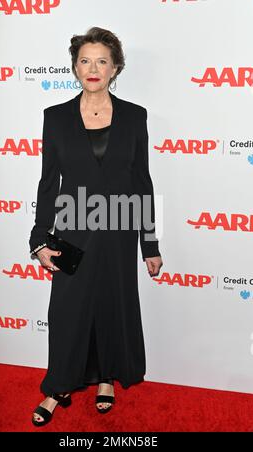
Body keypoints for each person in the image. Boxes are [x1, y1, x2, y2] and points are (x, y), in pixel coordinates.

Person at [29, 26, 163, 426]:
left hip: (121, 231)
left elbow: (142, 181)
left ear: (115, 67)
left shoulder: (135, 117)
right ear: (74, 66)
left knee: (112, 306)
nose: (93, 68)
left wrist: (150, 244)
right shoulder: (54, 118)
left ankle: (106, 378)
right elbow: (48, 182)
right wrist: (39, 239)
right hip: (72, 230)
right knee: (68, 312)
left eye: (102, 60)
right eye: (85, 60)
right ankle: (58, 386)